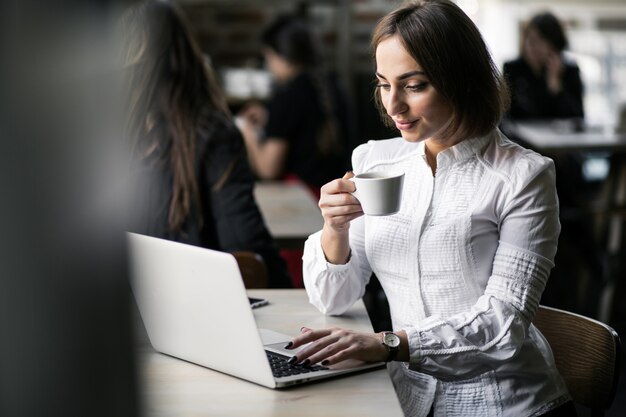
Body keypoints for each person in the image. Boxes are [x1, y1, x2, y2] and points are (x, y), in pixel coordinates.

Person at [284, 1, 576, 416]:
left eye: (414, 85)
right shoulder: (374, 161)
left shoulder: (523, 177)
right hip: (405, 397)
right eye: (384, 84)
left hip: (507, 403)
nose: (393, 106)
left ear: (462, 80)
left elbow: (504, 325)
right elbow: (334, 298)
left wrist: (388, 343)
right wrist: (335, 228)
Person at [121, 0, 291, 288]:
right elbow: (244, 241)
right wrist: (291, 292)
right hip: (196, 300)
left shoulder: (100, 134)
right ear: (189, 55)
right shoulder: (213, 133)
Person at [237, 15, 354, 197]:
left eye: (268, 57)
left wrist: (247, 132)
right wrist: (270, 118)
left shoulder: (287, 95)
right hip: (340, 192)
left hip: (304, 196)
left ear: (282, 56)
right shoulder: (334, 85)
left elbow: (268, 170)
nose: (268, 65)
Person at [503, 11, 584, 120]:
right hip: (517, 136)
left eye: (541, 40)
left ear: (555, 45)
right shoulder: (513, 69)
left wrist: (555, 85)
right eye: (530, 39)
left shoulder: (569, 70)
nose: (533, 46)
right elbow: (506, 116)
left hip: (557, 136)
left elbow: (577, 117)